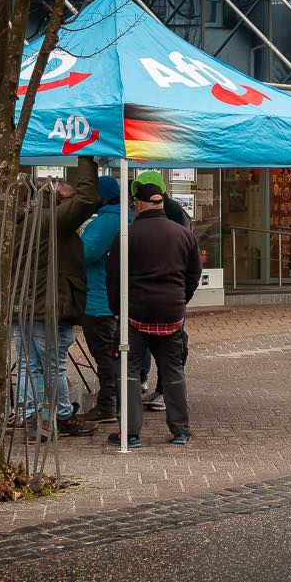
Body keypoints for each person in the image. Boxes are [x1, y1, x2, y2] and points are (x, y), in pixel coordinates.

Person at [12, 157, 103, 439]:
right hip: (47, 305)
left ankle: (32, 416)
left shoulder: (19, 220)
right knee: (52, 365)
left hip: (21, 307)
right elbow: (88, 198)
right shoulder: (51, 221)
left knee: (30, 364)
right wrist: (88, 157)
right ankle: (60, 415)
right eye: (67, 197)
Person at [107, 182, 201, 449]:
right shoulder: (184, 235)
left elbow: (114, 278)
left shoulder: (127, 235)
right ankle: (180, 431)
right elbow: (193, 276)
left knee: (129, 372)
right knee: (173, 371)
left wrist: (117, 310)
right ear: (161, 203)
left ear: (138, 204)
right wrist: (181, 300)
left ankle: (130, 433)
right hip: (171, 314)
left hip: (136, 314)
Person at [129, 171, 192, 412]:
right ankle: (168, 402)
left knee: (170, 354)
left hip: (160, 296)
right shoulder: (174, 212)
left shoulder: (169, 214)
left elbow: (189, 265)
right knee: (170, 353)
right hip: (171, 297)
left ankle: (163, 393)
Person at [77, 174, 128, 426]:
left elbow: (85, 253)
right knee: (115, 352)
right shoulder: (126, 216)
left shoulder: (107, 221)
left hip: (99, 299)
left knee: (105, 354)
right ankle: (117, 400)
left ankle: (108, 404)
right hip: (116, 298)